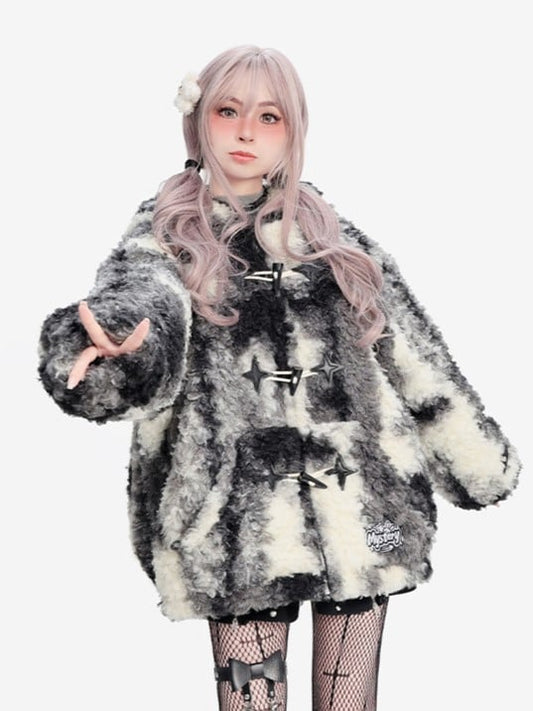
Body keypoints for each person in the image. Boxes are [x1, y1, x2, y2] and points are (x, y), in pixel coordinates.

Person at [38, 45, 520, 711]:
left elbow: (412, 350)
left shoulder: (334, 240)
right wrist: (115, 353)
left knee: (350, 700)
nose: (245, 132)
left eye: (269, 117)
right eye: (227, 111)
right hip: (234, 521)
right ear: (197, 120)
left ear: (293, 131)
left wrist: (474, 460)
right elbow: (141, 300)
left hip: (365, 510)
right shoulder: (165, 237)